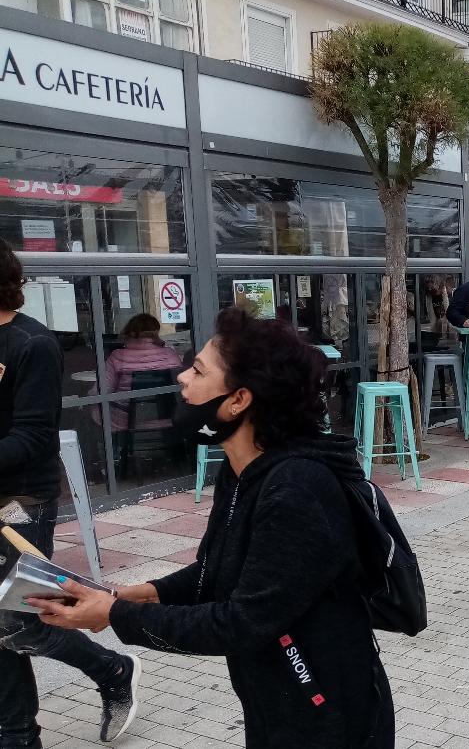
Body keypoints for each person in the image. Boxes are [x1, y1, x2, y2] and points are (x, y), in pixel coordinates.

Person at [31, 307, 396, 748]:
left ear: (239, 400)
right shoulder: (244, 472)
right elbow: (216, 572)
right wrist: (131, 594)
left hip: (327, 710)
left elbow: (240, 622)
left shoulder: (299, 490)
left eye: (199, 370)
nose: (183, 378)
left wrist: (113, 616)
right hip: (276, 697)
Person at [0, 244, 142, 747]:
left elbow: (33, 437)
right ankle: (16, 733)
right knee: (1, 626)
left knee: (21, 622)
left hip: (19, 503)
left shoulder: (30, 344)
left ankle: (111, 669)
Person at [97, 313, 186, 431]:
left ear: (129, 331)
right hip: (167, 418)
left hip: (126, 421)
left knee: (98, 407)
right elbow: (181, 388)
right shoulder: (170, 354)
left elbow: (102, 389)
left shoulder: (116, 356)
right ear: (156, 332)